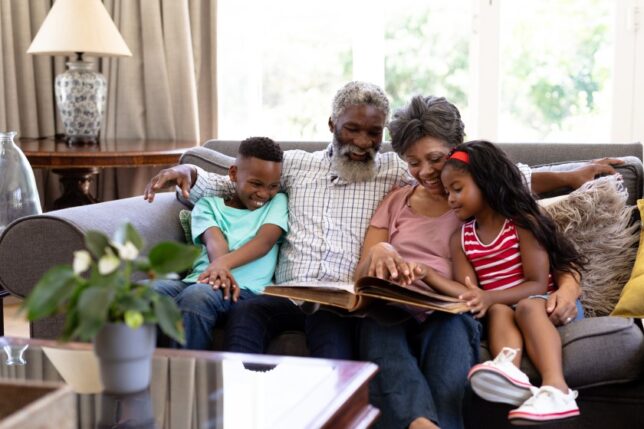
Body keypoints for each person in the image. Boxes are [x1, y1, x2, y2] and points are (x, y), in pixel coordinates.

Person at [142, 81, 620, 359]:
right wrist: (190, 172)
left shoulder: (401, 169)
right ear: (332, 126)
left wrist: (574, 174)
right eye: (352, 129)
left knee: (340, 327)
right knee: (248, 312)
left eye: (373, 133)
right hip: (289, 292)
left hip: (346, 297)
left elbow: (502, 177)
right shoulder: (298, 166)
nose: (362, 141)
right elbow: (244, 181)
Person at [355, 96, 590, 429]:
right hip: (397, 307)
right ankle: (420, 423)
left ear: (456, 148)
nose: (425, 172)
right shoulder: (395, 200)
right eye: (413, 162)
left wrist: (567, 290)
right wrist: (379, 253)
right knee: (376, 328)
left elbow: (557, 257)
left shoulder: (487, 201)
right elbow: (362, 276)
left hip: (454, 309)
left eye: (434, 158)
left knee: (452, 328)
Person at [440, 140, 585, 425]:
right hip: (506, 307)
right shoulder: (461, 238)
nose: (451, 199)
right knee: (498, 311)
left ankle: (558, 388)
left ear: (487, 182)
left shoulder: (521, 222)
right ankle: (510, 373)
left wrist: (490, 297)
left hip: (545, 305)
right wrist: (428, 276)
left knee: (526, 307)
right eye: (447, 192)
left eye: (457, 189)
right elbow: (471, 291)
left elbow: (537, 285)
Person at [153, 137, 288, 350]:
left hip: (246, 290)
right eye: (256, 183)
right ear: (233, 174)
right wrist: (220, 266)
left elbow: (264, 242)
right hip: (198, 281)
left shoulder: (277, 202)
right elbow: (214, 240)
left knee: (197, 297)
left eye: (273, 186)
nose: (264, 193)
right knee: (140, 293)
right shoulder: (208, 205)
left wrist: (222, 266)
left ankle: (188, 379)